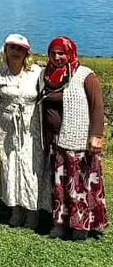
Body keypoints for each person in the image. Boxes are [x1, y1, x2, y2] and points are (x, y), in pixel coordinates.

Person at [39, 37, 108, 240]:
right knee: (59, 184)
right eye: (53, 53)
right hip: (54, 141)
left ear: (70, 54)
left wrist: (96, 136)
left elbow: (97, 107)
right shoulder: (46, 75)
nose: (58, 57)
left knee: (79, 184)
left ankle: (81, 226)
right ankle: (59, 223)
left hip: (78, 140)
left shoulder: (85, 75)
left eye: (62, 53)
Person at [0, 34, 46, 229]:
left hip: (31, 126)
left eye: (20, 48)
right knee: (10, 165)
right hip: (7, 125)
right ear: (6, 49)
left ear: (26, 52)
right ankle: (15, 209)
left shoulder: (37, 72)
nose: (16, 51)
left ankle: (32, 211)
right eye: (12, 47)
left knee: (31, 167)